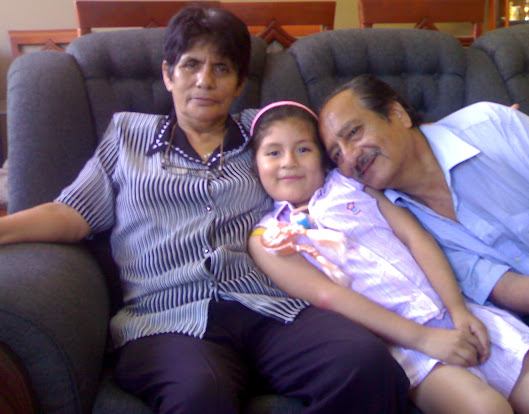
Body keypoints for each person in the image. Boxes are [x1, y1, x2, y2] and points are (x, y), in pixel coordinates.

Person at [0, 10, 412, 414]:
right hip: (166, 318)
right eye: (191, 65)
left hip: (268, 307)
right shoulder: (127, 136)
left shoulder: (264, 135)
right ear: (168, 74)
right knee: (201, 393)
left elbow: (333, 165)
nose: (205, 80)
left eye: (221, 68)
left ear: (238, 84)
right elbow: (71, 213)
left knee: (365, 363)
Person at [318, 74, 529, 413]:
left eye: (354, 133)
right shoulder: (400, 227)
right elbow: (506, 287)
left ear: (397, 114)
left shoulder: (489, 126)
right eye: (336, 155)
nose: (350, 157)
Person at [247, 101, 529, 414]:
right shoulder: (268, 238)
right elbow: (328, 296)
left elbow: (415, 236)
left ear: (324, 158)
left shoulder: (351, 184)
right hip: (403, 344)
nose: (289, 162)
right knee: (486, 409)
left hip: (455, 309)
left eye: (303, 149)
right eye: (273, 152)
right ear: (255, 165)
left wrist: (458, 310)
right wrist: (424, 339)